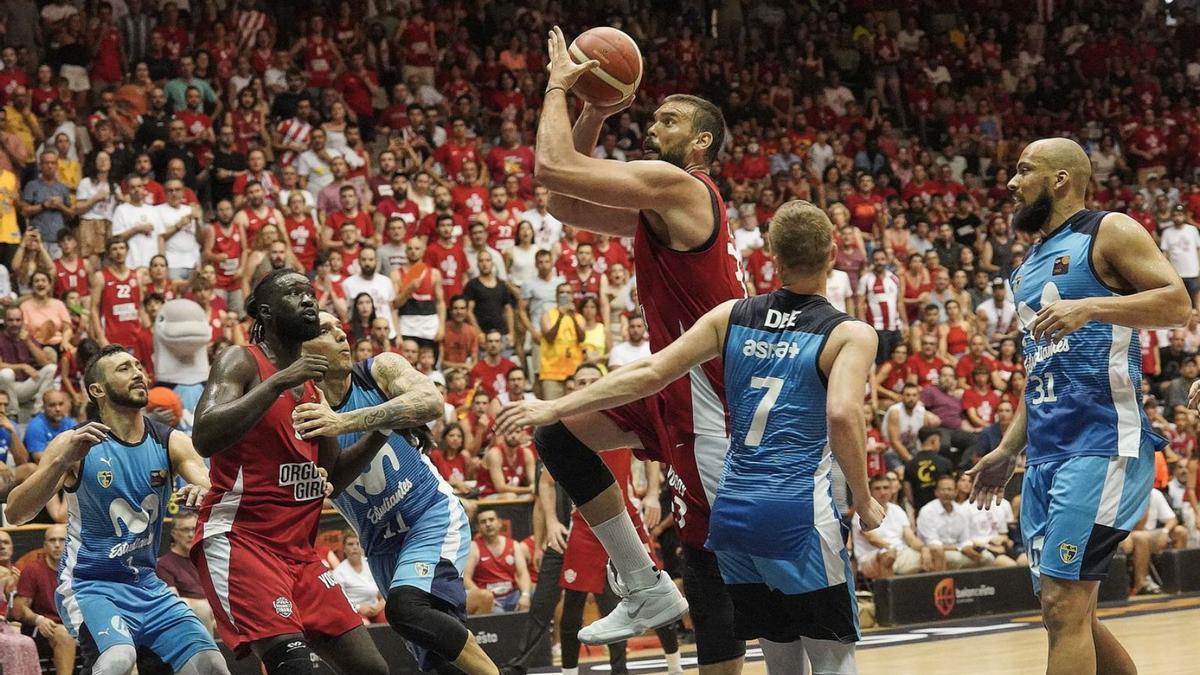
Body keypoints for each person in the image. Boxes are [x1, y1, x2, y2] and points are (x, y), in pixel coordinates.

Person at [498, 200, 887, 673]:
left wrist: (556, 406)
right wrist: (864, 499)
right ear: (833, 252)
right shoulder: (850, 332)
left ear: (773, 258)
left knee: (780, 657)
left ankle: (644, 582)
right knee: (832, 659)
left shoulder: (732, 316)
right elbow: (844, 413)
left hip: (734, 516)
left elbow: (653, 370)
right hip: (796, 513)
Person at [527, 29, 747, 664]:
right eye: (653, 118)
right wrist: (594, 112)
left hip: (711, 396)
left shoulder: (683, 187)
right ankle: (644, 583)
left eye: (670, 121)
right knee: (560, 437)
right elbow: (564, 202)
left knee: (708, 565)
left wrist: (560, 86)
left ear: (701, 142)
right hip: (669, 383)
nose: (655, 127)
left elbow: (551, 167)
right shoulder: (660, 204)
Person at [968, 138, 1190, 675]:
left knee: (1064, 606)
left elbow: (1178, 303)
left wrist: (1090, 306)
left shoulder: (1109, 230)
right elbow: (1038, 369)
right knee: (1070, 614)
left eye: (1024, 171)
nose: (1012, 183)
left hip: (1103, 445)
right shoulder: (1025, 270)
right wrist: (1007, 448)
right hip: (1046, 453)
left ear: (1061, 179)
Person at [190, 269, 391, 675]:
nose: (308, 300)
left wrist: (382, 430)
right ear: (265, 311)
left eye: (311, 293)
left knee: (372, 669)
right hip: (241, 542)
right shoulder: (241, 360)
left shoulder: (314, 388)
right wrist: (279, 381)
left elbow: (330, 475)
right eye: (295, 293)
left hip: (299, 554)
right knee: (293, 666)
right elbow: (205, 435)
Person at [291, 311, 499, 674]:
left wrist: (346, 422)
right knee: (436, 660)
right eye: (325, 330)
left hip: (429, 516)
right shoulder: (300, 411)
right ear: (301, 351)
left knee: (405, 608)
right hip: (380, 545)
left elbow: (431, 402)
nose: (341, 334)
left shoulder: (378, 370)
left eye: (341, 326)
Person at [5, 346, 226, 675]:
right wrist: (63, 462)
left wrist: (203, 491)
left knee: (212, 665)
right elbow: (15, 513)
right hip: (88, 583)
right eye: (124, 369)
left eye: (139, 365)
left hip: (146, 583)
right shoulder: (74, 443)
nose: (138, 372)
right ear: (98, 390)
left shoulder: (172, 441)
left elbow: (209, 485)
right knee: (118, 660)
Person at [11, 525, 76, 675]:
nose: (57, 545)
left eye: (62, 540)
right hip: (43, 627)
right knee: (64, 634)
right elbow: (19, 610)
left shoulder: (78, 570)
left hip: (75, 624)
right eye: (52, 540)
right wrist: (39, 619)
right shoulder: (33, 570)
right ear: (45, 545)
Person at [854, 475, 933, 579]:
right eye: (877, 488)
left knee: (933, 554)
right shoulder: (861, 512)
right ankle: (888, 595)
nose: (882, 492)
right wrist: (892, 549)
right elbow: (873, 539)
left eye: (886, 488)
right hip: (871, 557)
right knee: (888, 556)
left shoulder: (897, 510)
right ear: (870, 491)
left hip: (900, 553)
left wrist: (924, 548)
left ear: (891, 490)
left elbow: (911, 538)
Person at [918, 475, 995, 570]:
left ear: (955, 492)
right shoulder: (927, 511)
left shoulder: (962, 511)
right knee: (954, 558)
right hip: (938, 551)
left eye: (950, 489)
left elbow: (965, 538)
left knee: (987, 557)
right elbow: (933, 543)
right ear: (936, 492)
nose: (946, 493)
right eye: (942, 489)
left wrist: (968, 547)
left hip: (959, 548)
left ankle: (982, 584)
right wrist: (960, 548)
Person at [158, 512, 216, 634]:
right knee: (202, 609)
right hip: (191, 617)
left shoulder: (205, 559)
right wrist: (204, 605)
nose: (190, 535)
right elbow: (174, 602)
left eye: (194, 529)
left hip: (215, 614)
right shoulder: (164, 564)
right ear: (174, 533)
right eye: (185, 530)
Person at [464, 509, 532, 614]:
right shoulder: (474, 547)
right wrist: (486, 598)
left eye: (491, 520)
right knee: (497, 612)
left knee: (537, 595)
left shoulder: (514, 545)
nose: (488, 524)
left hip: (513, 596)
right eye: (483, 521)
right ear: (478, 527)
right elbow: (466, 579)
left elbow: (523, 573)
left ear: (500, 523)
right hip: (490, 599)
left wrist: (525, 595)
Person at [332, 532, 386, 624]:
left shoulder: (370, 564)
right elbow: (338, 602)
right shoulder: (339, 572)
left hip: (375, 608)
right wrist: (358, 607)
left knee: (390, 619)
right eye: (350, 544)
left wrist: (380, 606)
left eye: (358, 544)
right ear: (344, 548)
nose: (355, 547)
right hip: (354, 611)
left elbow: (383, 592)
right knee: (365, 625)